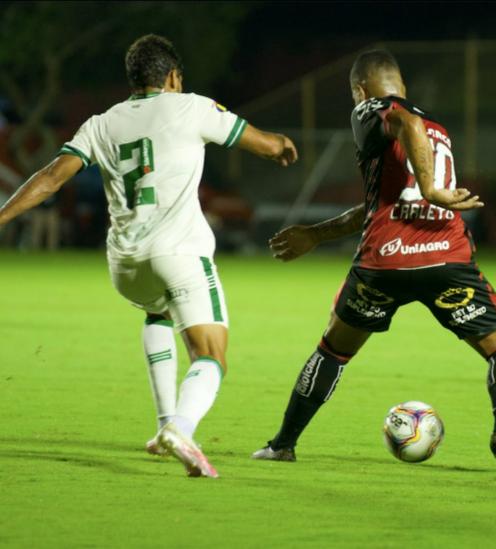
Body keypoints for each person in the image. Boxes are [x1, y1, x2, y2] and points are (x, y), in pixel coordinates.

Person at [0, 34, 298, 478]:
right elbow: (267, 145)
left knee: (157, 312)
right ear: (173, 76)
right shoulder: (193, 107)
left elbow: (50, 178)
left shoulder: (101, 123)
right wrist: (282, 144)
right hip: (179, 254)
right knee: (211, 355)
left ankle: (163, 426)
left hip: (125, 265)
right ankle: (181, 428)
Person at [253, 49, 496, 473]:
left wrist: (430, 190)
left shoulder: (371, 110)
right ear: (403, 85)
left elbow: (404, 125)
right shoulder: (437, 128)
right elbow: (381, 203)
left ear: (360, 90)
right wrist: (316, 233)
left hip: (384, 264)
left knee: (333, 350)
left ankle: (283, 445)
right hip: (446, 260)